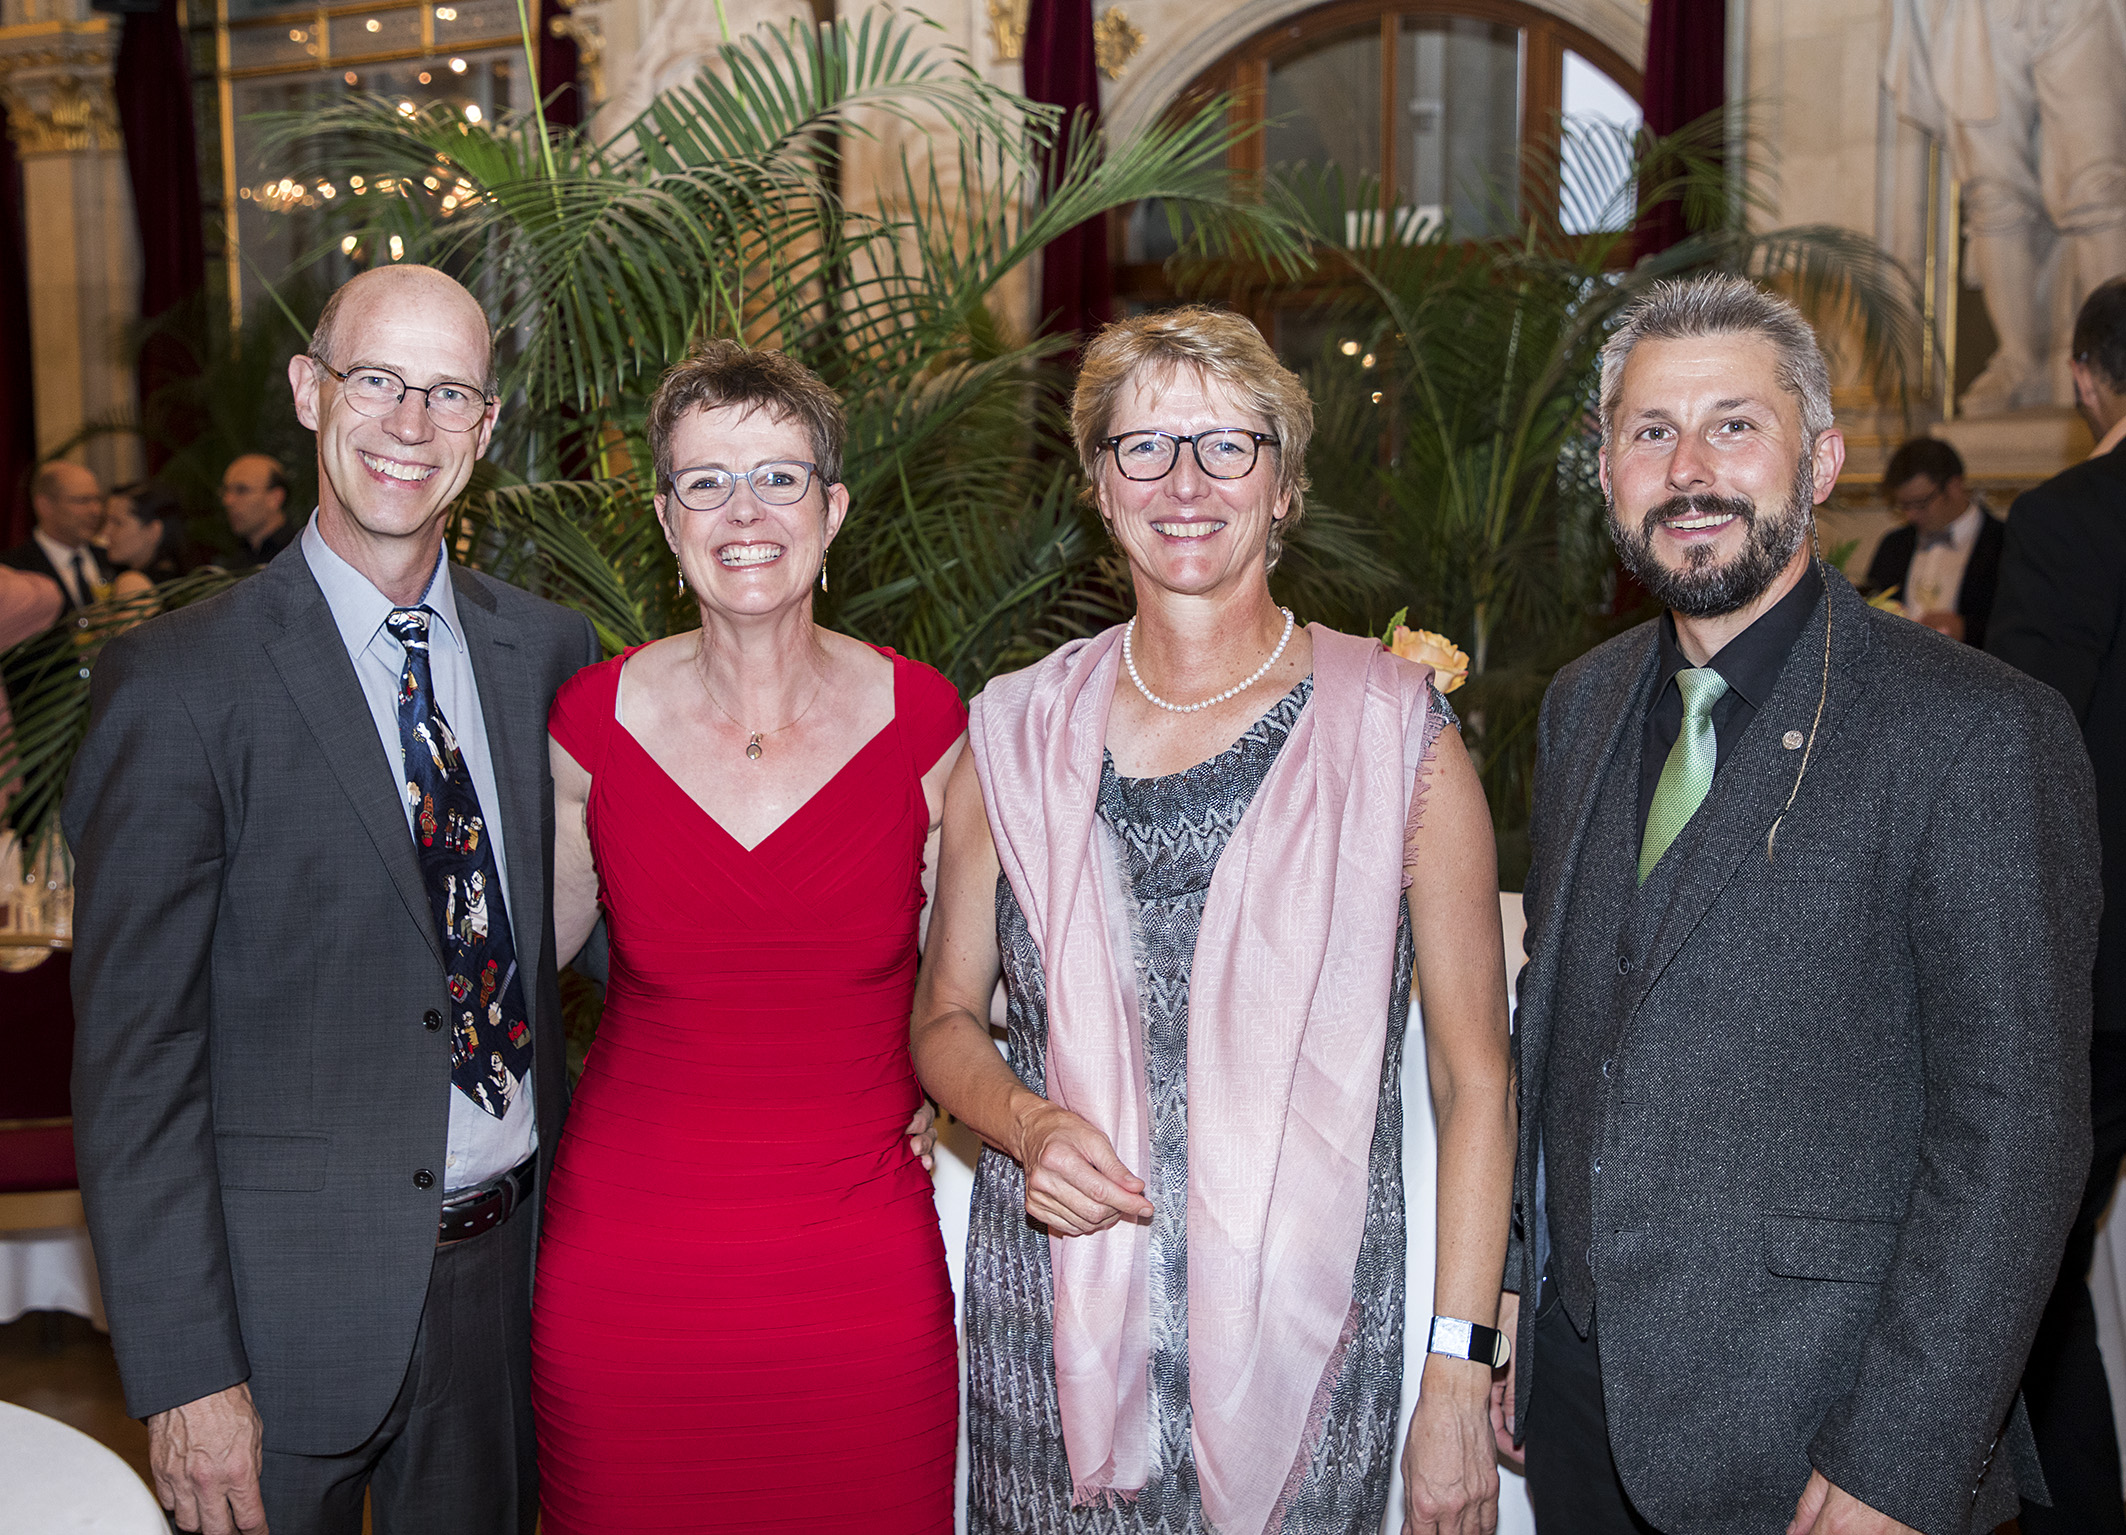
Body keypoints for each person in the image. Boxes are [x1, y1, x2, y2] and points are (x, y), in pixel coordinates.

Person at [1497, 273, 2099, 1535]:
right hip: (1575, 1406)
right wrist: (1515, 1282)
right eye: (1650, 431)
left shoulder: (1975, 731)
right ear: (1604, 471)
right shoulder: (1580, 705)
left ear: (1819, 460)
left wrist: (1900, 1452)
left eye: (1733, 425)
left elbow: (2016, 1132)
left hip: (1818, 1430)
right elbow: (1554, 1027)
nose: (1687, 469)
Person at [912, 307, 1517, 1535]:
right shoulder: (1013, 729)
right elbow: (942, 1018)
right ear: (1098, 486)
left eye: (1227, 445)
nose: (1183, 482)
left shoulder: (1398, 734)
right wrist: (1024, 1122)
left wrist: (1456, 1370)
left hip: (1310, 1335)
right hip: (1054, 1330)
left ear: (1283, 487)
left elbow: (1474, 1079)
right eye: (1143, 446)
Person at [64, 263, 601, 1535]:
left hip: (503, 1298)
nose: (410, 423)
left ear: (486, 426)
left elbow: (632, 933)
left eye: (448, 392)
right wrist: (186, 1370)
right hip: (273, 1319)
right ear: (311, 392)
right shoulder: (178, 682)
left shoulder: (550, 654)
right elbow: (136, 1060)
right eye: (377, 380)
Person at [532, 341, 960, 1534]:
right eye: (705, 481)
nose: (744, 512)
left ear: (833, 509)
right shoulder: (589, 724)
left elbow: (977, 977)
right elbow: (502, 967)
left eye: (777, 477)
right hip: (632, 1262)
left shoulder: (927, 723)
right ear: (665, 518)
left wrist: (956, 1088)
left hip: (857, 1259)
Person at [1985, 272, 2126, 1535]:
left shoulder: (2063, 517)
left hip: (2102, 971)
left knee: (2025, 1260)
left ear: (2084, 377)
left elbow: (2030, 753)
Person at [1861, 436, 2003, 646]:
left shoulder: (2003, 542)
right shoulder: (1893, 545)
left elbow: (2019, 624)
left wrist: (1966, 629)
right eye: (1904, 506)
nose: (1911, 515)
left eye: (1921, 503)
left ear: (1954, 486)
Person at [2, 461, 111, 613]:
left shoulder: (112, 559)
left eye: (98, 500)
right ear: (44, 505)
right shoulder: (13, 570)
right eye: (82, 501)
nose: (96, 511)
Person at [101, 482, 190, 596]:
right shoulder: (184, 580)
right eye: (105, 521)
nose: (105, 532)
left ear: (153, 531)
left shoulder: (133, 584)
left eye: (118, 523)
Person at [219, 452, 293, 566]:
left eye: (241, 490)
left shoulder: (299, 554)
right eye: (226, 491)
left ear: (275, 498)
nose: (228, 501)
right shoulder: (234, 564)